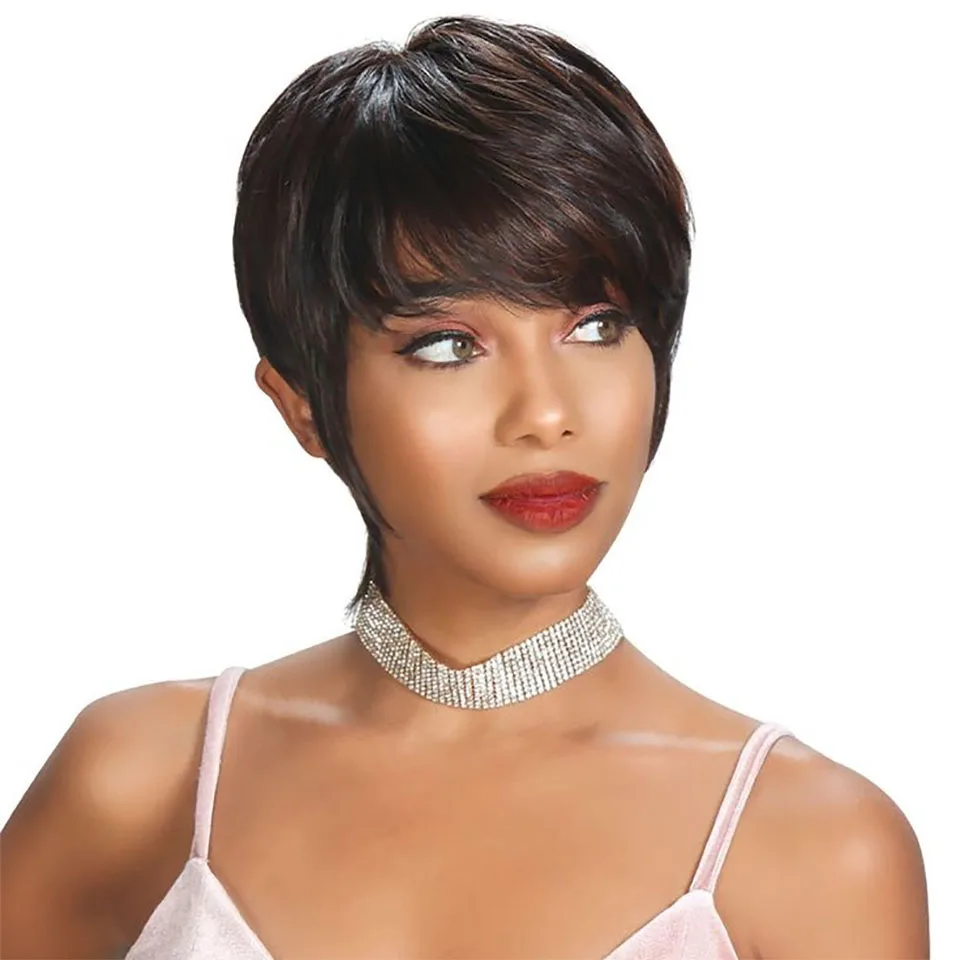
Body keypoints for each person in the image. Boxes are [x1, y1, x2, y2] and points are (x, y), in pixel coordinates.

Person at [0, 14, 928, 960]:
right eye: (448, 346)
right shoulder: (138, 781)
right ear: (302, 405)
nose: (546, 413)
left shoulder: (817, 847)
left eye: (596, 327)